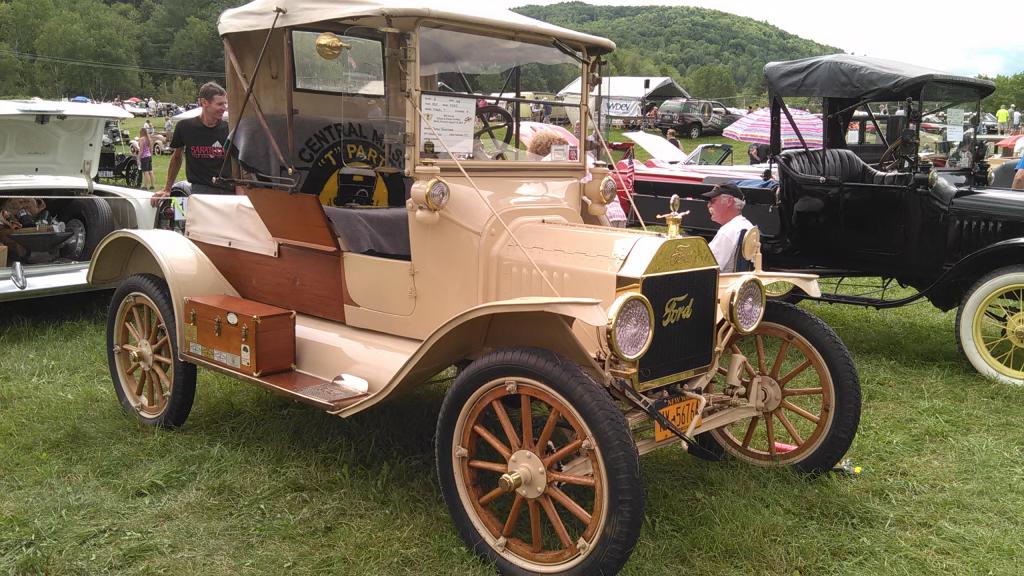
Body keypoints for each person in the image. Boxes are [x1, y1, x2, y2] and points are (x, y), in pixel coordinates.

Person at [151, 82, 233, 206]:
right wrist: (167, 189)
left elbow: (237, 164)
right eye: (220, 104)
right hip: (200, 191)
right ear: (204, 103)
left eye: (225, 103)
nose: (224, 107)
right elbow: (177, 158)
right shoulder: (185, 127)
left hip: (228, 192)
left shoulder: (229, 129)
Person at [703, 183, 753, 273]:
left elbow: (706, 267)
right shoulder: (748, 226)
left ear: (729, 201)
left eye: (713, 201)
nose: (708, 205)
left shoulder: (727, 232)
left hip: (723, 285)